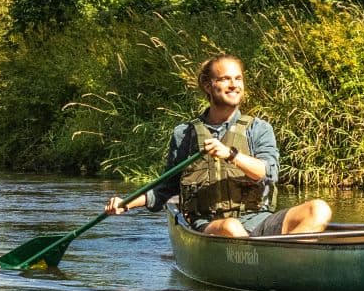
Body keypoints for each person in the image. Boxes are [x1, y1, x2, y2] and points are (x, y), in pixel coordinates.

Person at [107, 54, 332, 237]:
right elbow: (166, 189)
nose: (234, 85)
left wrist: (231, 155)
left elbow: (268, 173)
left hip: (258, 220)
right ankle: (268, 263)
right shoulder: (184, 134)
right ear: (208, 85)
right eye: (225, 79)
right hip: (209, 223)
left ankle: (282, 261)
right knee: (231, 227)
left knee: (319, 209)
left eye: (238, 79)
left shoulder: (259, 128)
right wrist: (126, 203)